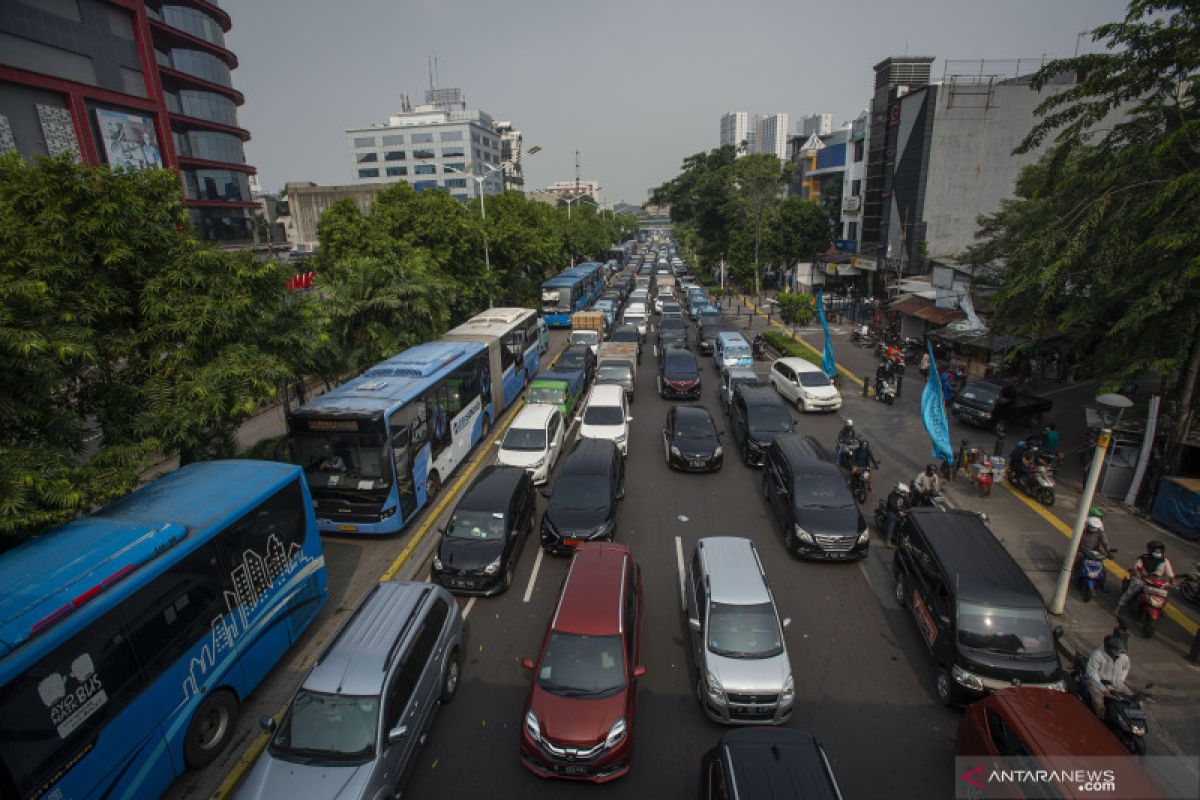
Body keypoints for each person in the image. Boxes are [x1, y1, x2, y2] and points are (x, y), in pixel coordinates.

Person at [1116, 540, 1176, 616]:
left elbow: (1170, 573)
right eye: (1156, 552)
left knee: (1165, 594)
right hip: (1143, 579)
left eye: (1160, 551)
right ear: (1151, 550)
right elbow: (1136, 568)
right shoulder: (1144, 558)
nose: (1158, 553)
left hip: (1156, 581)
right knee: (1132, 590)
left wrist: (1172, 580)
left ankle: (1161, 607)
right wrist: (1138, 574)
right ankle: (1119, 607)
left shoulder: (1164, 561)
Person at [1084, 631, 1131, 718]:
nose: (1118, 655)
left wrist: (1121, 679)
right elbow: (1091, 672)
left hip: (1116, 684)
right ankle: (1101, 717)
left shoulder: (1122, 657)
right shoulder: (1097, 655)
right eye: (1116, 652)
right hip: (1097, 684)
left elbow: (1126, 668)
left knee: (1130, 696)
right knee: (1098, 698)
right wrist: (1102, 688)